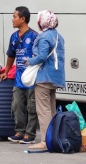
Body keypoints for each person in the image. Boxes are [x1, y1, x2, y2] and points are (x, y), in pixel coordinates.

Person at [0, 6, 39, 145]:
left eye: (14, 16)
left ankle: (30, 134)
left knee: (31, 107)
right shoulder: (14, 37)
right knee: (17, 105)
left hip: (32, 78)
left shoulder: (34, 36)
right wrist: (7, 71)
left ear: (23, 19)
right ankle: (20, 131)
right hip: (19, 78)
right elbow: (11, 55)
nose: (12, 19)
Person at [26, 10, 65, 150]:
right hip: (55, 78)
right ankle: (53, 138)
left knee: (43, 110)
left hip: (44, 77)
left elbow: (42, 56)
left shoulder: (44, 37)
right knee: (51, 109)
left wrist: (29, 61)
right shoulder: (58, 36)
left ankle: (45, 141)